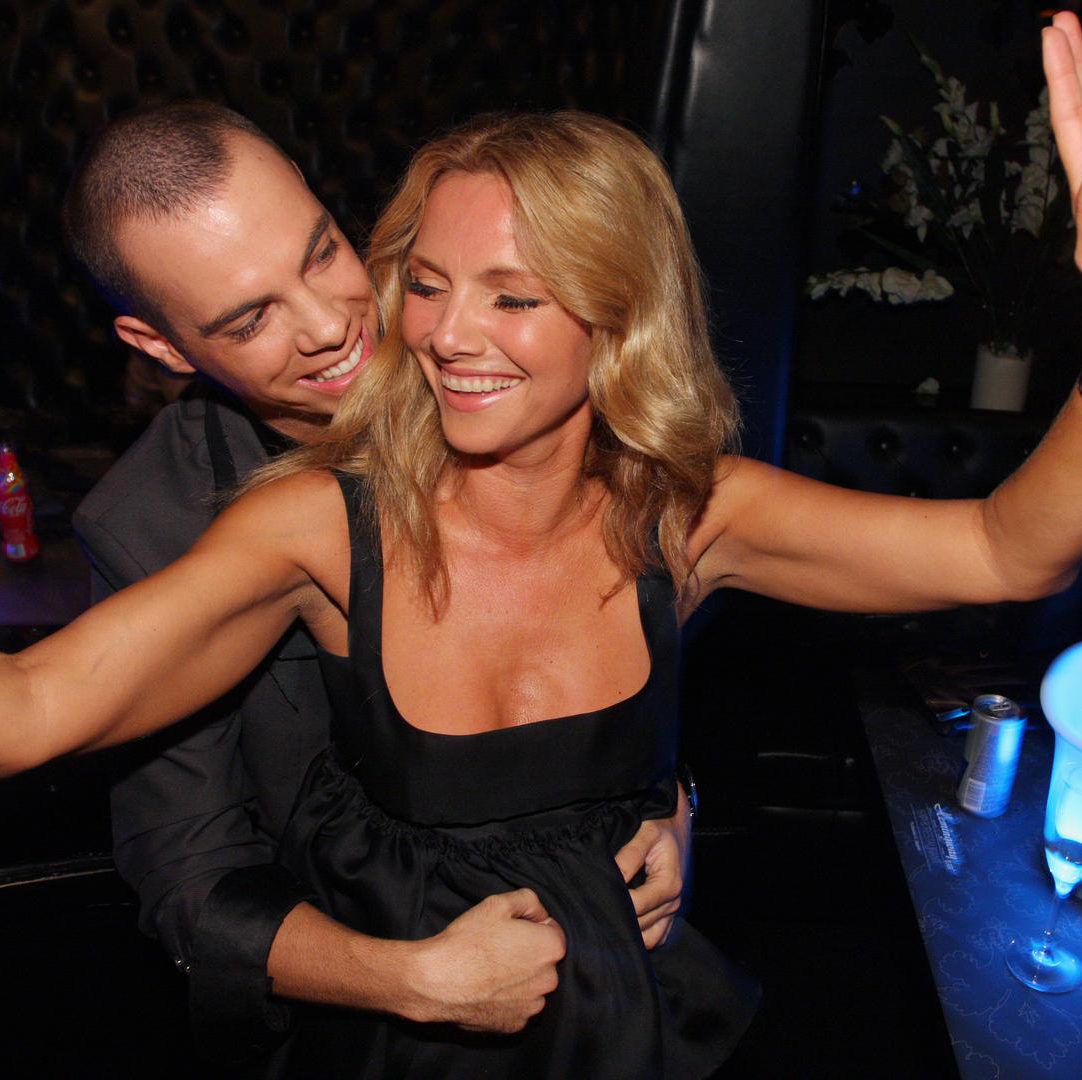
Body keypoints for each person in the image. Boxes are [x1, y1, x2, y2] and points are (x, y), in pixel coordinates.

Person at [0, 13, 1082, 1076]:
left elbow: (1003, 552)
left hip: (628, 1007)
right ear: (162, 345)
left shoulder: (675, 501)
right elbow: (43, 729)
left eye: (505, 294)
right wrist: (410, 978)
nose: (395, 328)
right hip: (387, 1018)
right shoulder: (274, 523)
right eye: (430, 285)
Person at [62, 102, 693, 1064]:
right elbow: (189, 869)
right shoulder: (153, 521)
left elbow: (643, 621)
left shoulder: (492, 352)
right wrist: (413, 980)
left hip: (610, 993)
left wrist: (670, 799)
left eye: (322, 253)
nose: (331, 325)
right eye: (251, 318)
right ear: (162, 347)